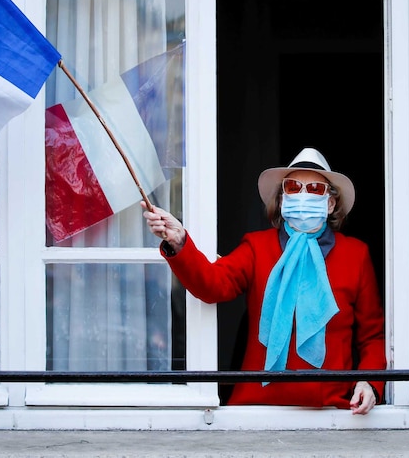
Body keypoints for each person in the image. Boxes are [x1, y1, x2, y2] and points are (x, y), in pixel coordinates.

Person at [142, 147, 386, 414]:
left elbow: (372, 336)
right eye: (293, 187)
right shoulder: (257, 247)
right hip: (258, 408)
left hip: (332, 410)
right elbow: (211, 285)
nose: (303, 195)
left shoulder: (356, 255)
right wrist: (180, 242)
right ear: (282, 201)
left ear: (330, 204)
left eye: (315, 189)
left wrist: (370, 382)